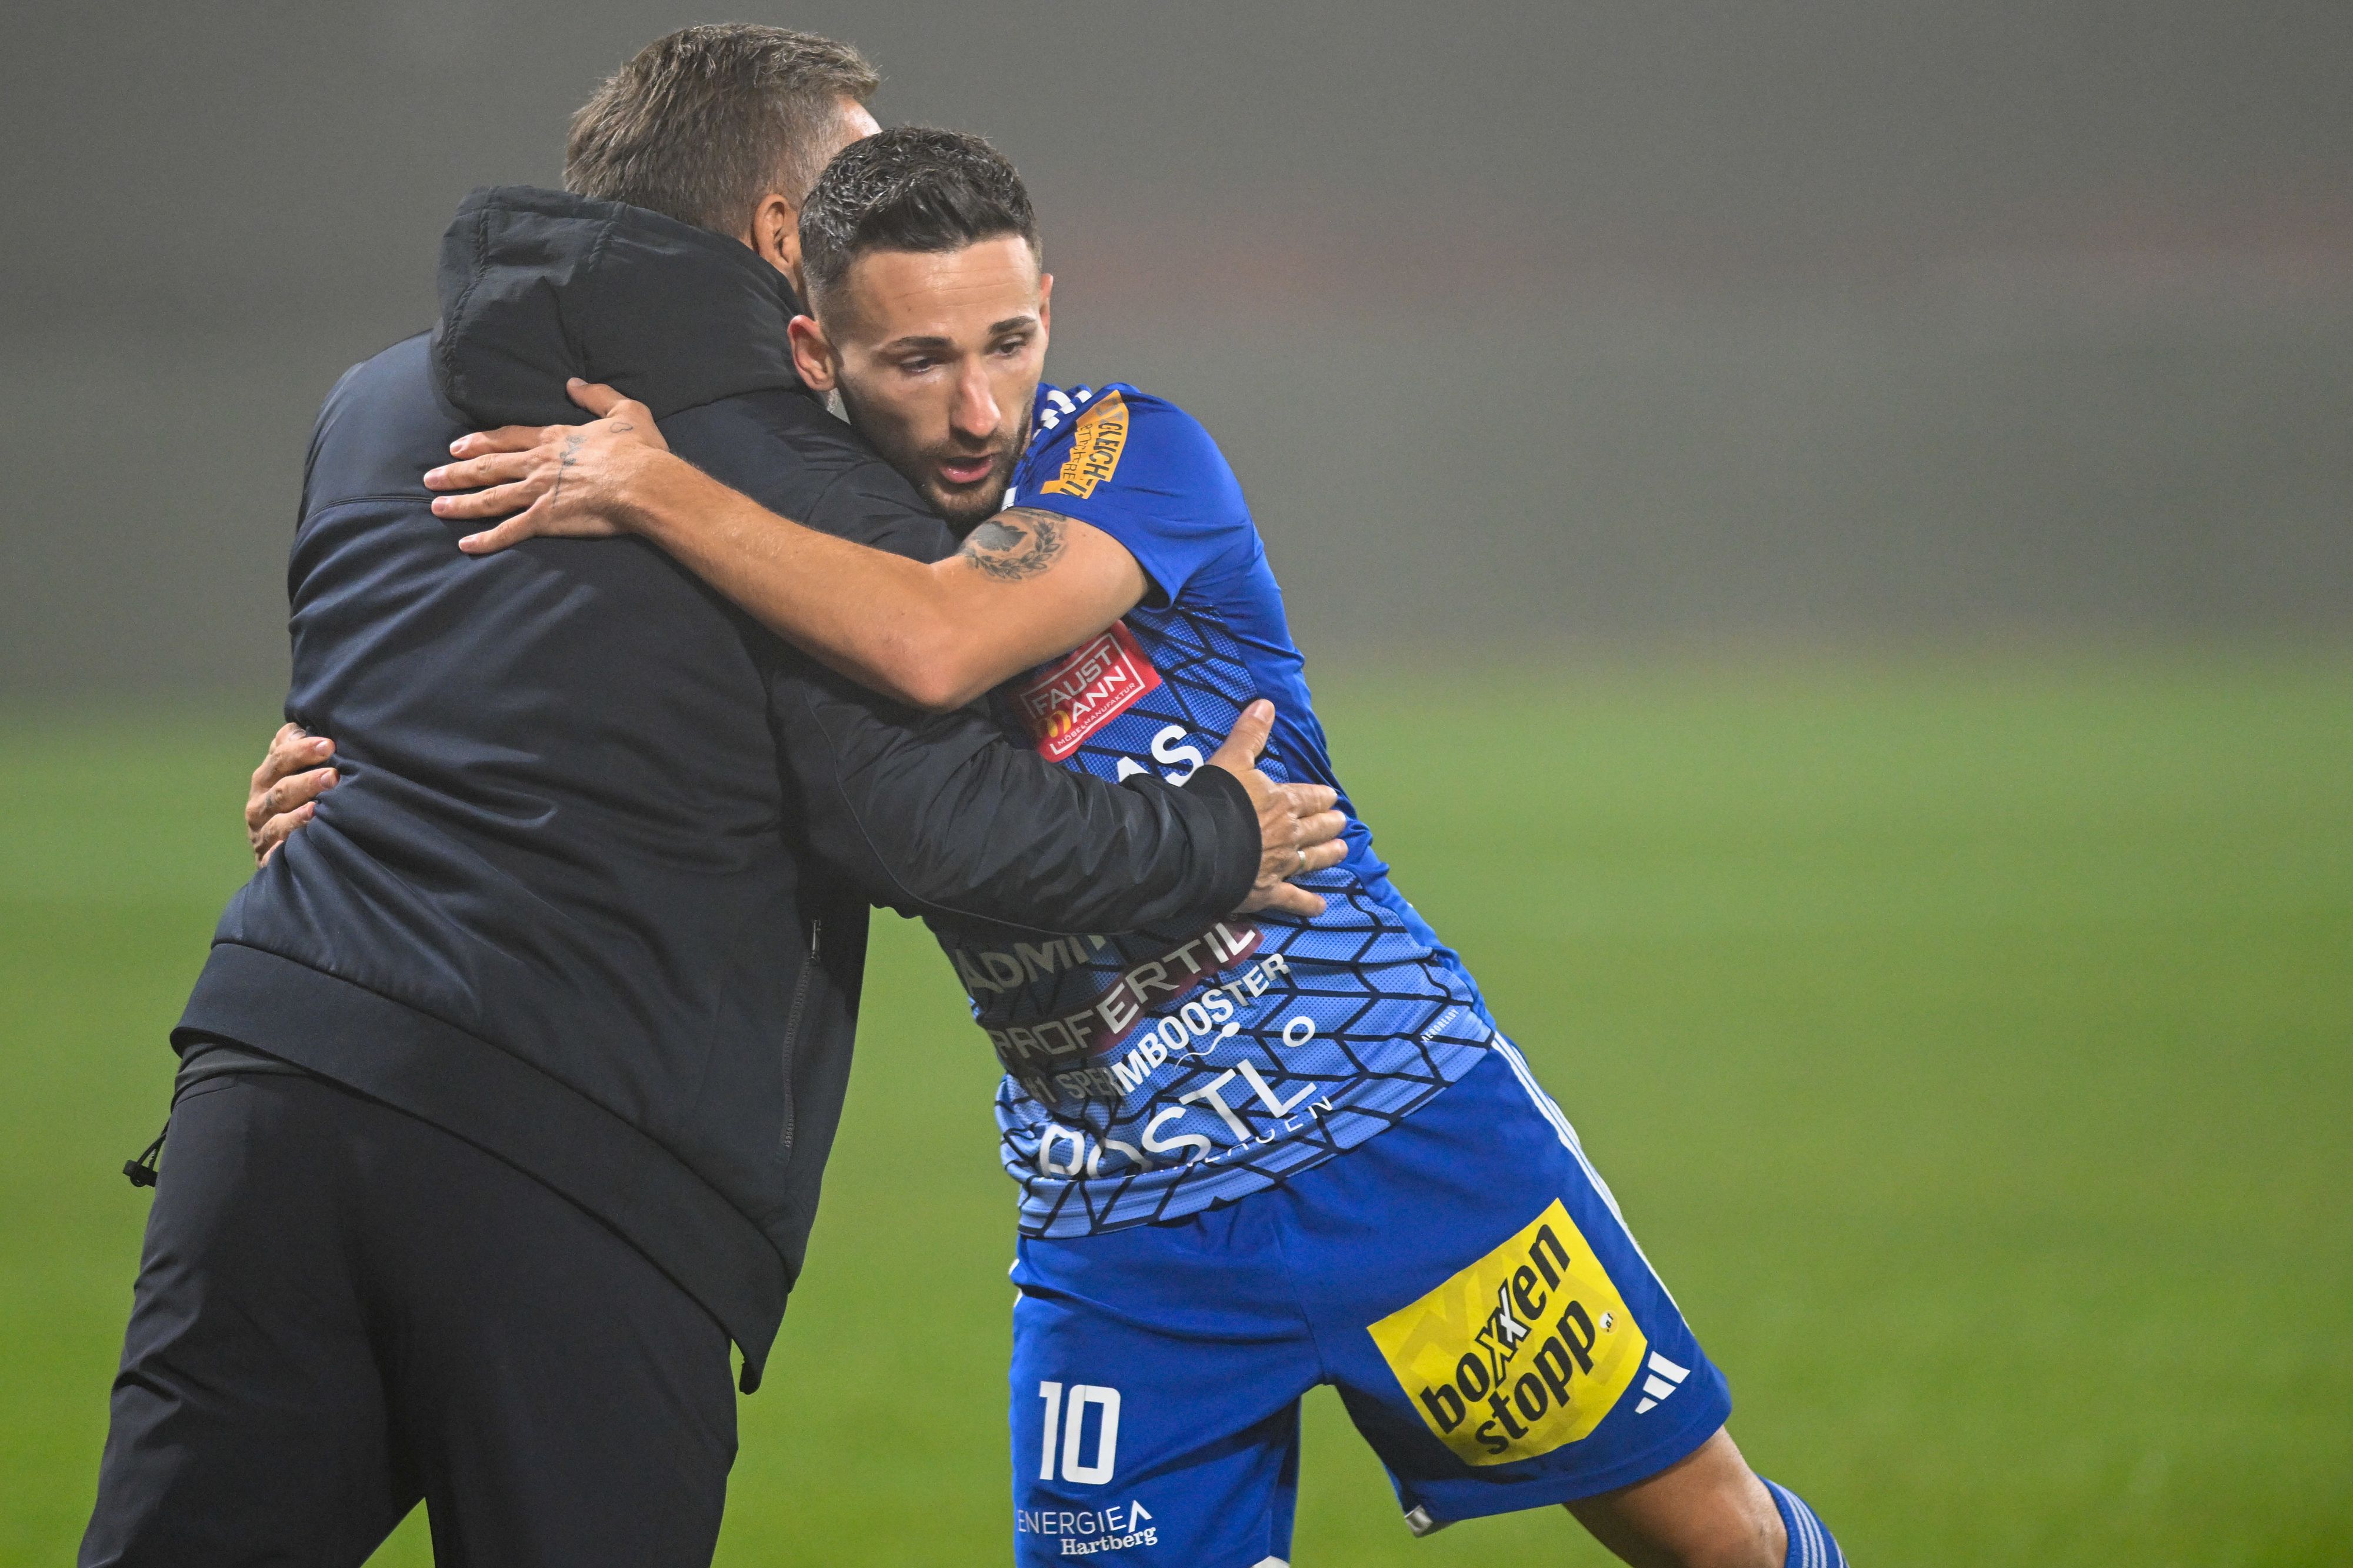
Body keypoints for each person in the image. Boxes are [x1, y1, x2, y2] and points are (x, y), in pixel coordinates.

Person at [261, 128, 1852, 1568]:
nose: (977, 407)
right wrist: (350, 773)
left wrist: (661, 488)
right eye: (918, 359)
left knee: (1713, 1541)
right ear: (816, 350)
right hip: (1117, 1231)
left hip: (1396, 1134)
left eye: (1009, 340)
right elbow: (606, 741)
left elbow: (942, 644)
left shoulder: (1122, 452)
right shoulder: (793, 536)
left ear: (1051, 311)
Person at [85, 31, 1344, 1568]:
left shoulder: (372, 404)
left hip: (265, 1092)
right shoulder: (807, 486)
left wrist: (315, 788)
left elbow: (345, 725)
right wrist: (1216, 835)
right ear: (775, 236)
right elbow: (933, 829)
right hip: (577, 1153)